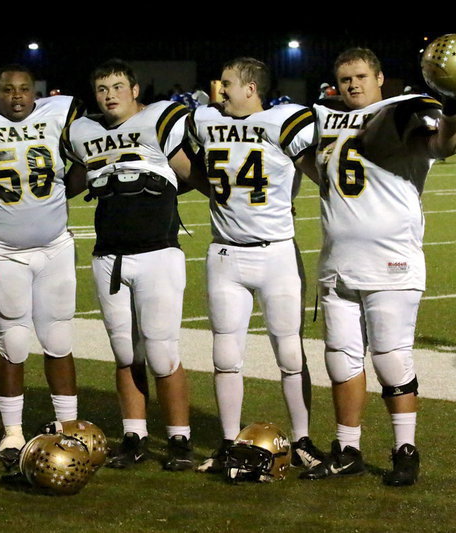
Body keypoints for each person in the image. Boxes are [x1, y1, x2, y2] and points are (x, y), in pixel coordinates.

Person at [300, 48, 456, 486]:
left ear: (379, 77)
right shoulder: (324, 117)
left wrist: (451, 108)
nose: (352, 84)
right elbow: (301, 156)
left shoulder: (404, 110)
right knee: (340, 359)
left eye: (360, 76)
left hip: (391, 261)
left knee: (391, 359)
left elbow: (443, 145)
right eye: (345, 78)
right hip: (338, 262)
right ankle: (347, 448)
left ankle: (404, 450)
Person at [63, 59, 209, 471]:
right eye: (102, 88)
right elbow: (68, 185)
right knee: (126, 354)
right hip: (108, 256)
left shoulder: (160, 121)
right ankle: (134, 436)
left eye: (117, 86)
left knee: (162, 354)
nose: (110, 94)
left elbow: (194, 175)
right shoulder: (84, 133)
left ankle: (179, 439)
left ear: (134, 88)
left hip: (158, 255)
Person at [189, 58, 323, 474]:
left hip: (275, 253)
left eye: (227, 84)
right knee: (226, 356)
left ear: (251, 88)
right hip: (226, 253)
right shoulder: (209, 119)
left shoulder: (284, 121)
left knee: (289, 353)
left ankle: (302, 440)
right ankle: (228, 441)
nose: (220, 90)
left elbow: (319, 172)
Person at [0, 65, 84, 466]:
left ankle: (69, 428)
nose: (17, 96)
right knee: (13, 342)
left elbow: (85, 158)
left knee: (58, 340)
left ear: (37, 92)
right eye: (7, 89)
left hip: (54, 247)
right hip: (2, 249)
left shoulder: (58, 114)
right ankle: (13, 433)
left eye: (24, 89)